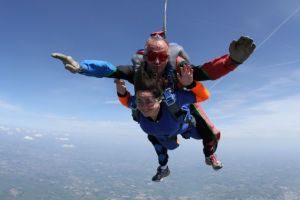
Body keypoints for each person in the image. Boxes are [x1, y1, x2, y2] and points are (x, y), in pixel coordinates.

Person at [51, 32, 255, 171]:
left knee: (211, 133)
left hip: (180, 104)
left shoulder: (178, 71)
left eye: (162, 56)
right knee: (158, 136)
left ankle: (209, 154)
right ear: (145, 55)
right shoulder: (136, 72)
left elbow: (207, 71)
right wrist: (82, 68)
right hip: (153, 110)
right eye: (152, 55)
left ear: (168, 56)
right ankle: (166, 156)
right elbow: (109, 69)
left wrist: (231, 62)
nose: (157, 61)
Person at [115, 64, 213, 182]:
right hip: (165, 136)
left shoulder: (173, 100)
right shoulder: (136, 105)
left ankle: (209, 155)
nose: (144, 106)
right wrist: (122, 92)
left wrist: (191, 84)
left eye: (149, 101)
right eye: (139, 100)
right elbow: (127, 102)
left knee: (209, 135)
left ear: (159, 99)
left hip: (186, 127)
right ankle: (164, 169)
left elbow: (204, 95)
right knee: (161, 145)